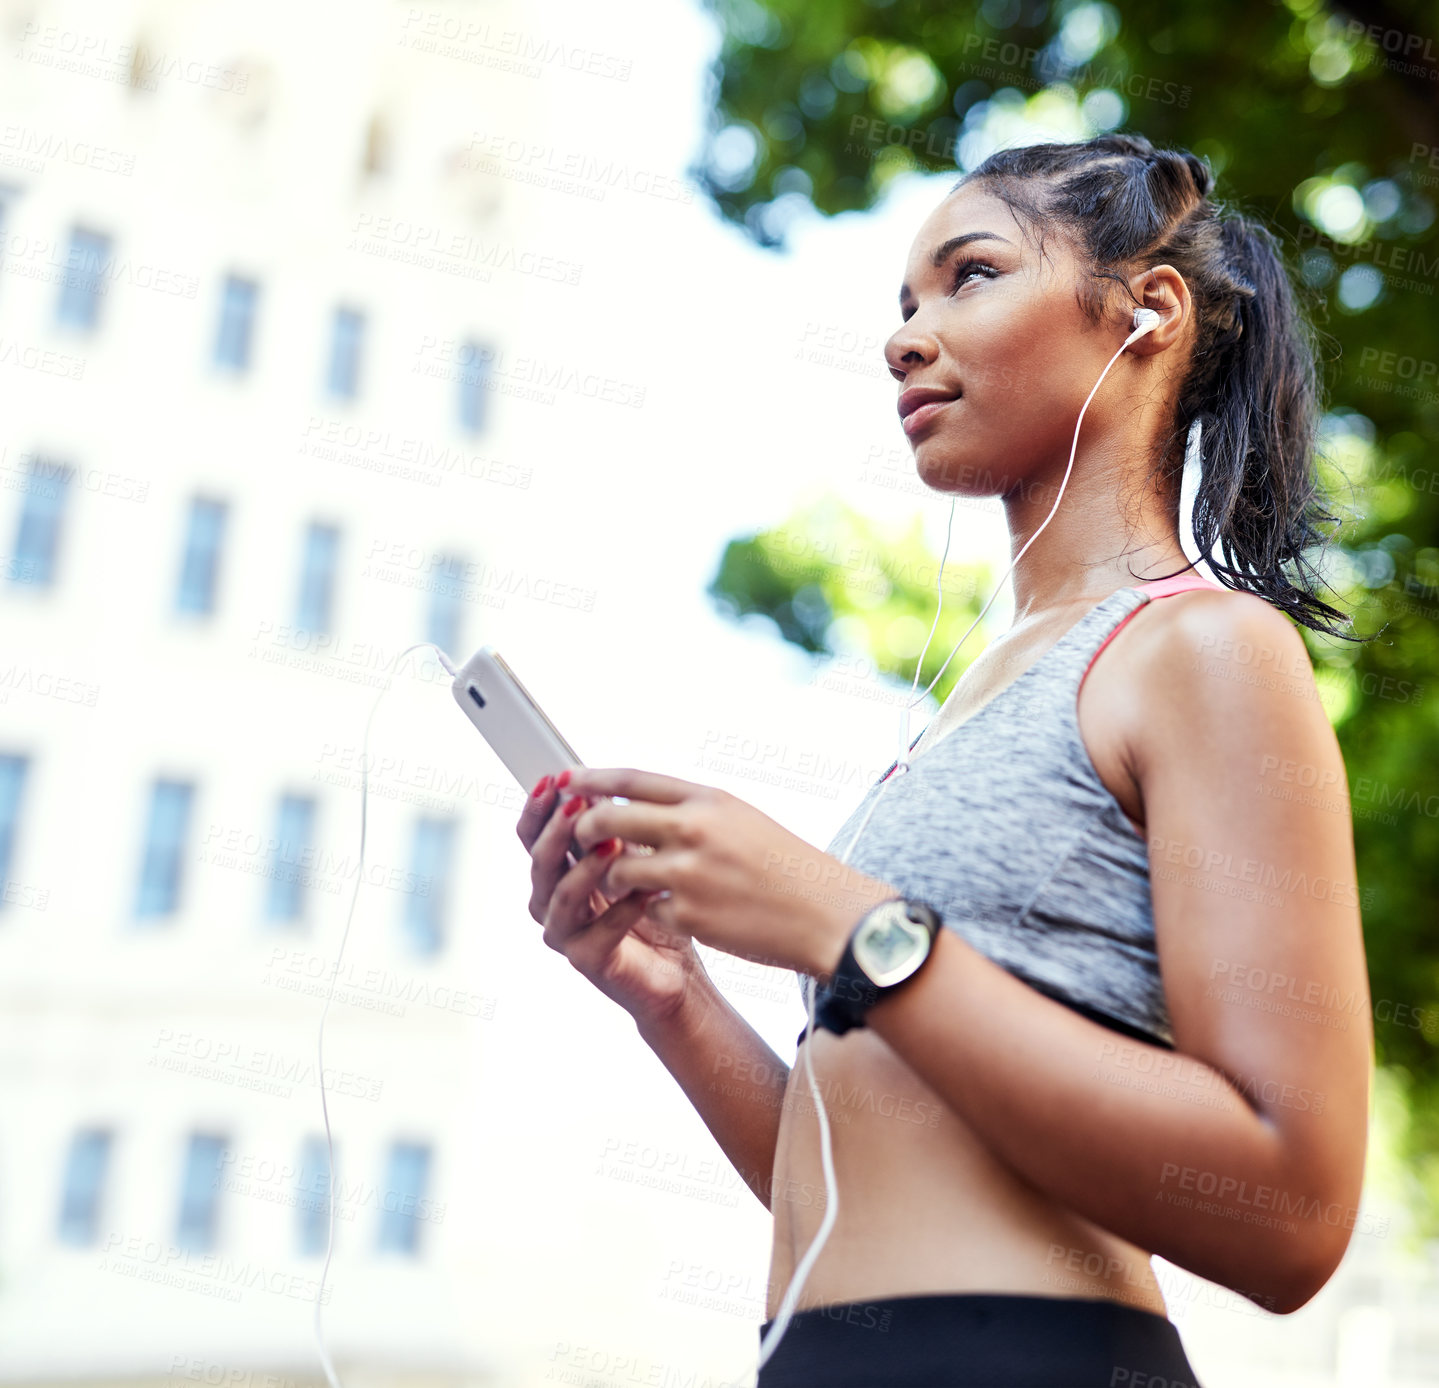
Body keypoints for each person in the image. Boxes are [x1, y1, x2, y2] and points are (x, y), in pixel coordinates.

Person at [515, 132, 1374, 1387]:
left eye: (967, 275)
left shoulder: (1202, 647)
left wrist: (852, 922)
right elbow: (870, 1194)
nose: (903, 337)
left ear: (1145, 312)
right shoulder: (976, 692)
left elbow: (1291, 1209)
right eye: (902, 303)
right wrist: (672, 994)